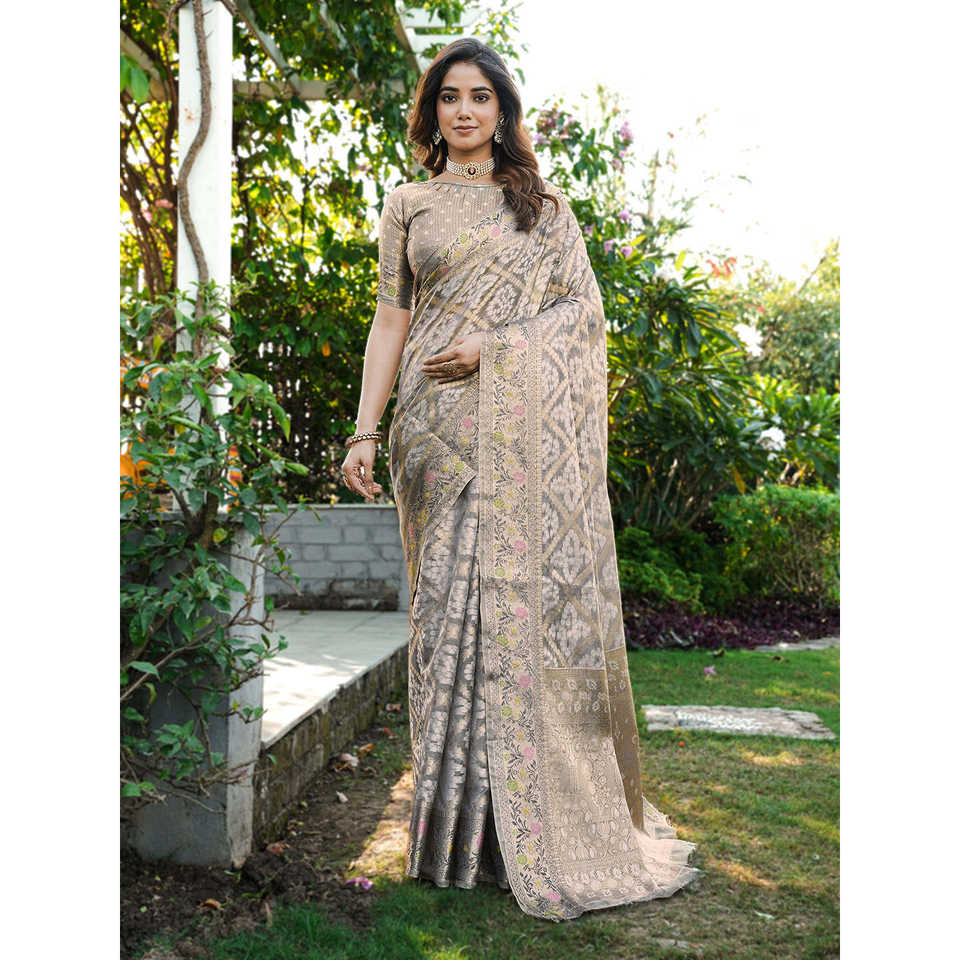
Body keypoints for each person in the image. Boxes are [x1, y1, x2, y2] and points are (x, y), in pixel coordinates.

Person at [340, 37, 701, 922]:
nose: (464, 111)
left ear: (502, 111)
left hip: (515, 439)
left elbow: (582, 317)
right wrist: (365, 429)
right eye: (449, 97)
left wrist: (496, 350)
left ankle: (515, 834)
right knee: (442, 626)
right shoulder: (408, 204)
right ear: (432, 112)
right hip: (431, 439)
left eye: (480, 97)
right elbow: (390, 320)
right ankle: (450, 838)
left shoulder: (543, 209)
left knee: (509, 621)